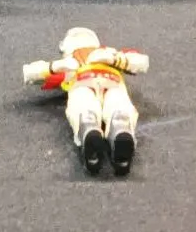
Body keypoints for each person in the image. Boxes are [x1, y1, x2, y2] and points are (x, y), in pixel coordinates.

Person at [22, 27, 149, 175]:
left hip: (113, 83)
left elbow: (141, 62)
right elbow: (29, 73)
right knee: (82, 102)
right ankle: (89, 129)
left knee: (118, 103)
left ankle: (120, 129)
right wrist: (53, 67)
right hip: (82, 84)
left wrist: (116, 59)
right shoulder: (68, 65)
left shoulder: (109, 53)